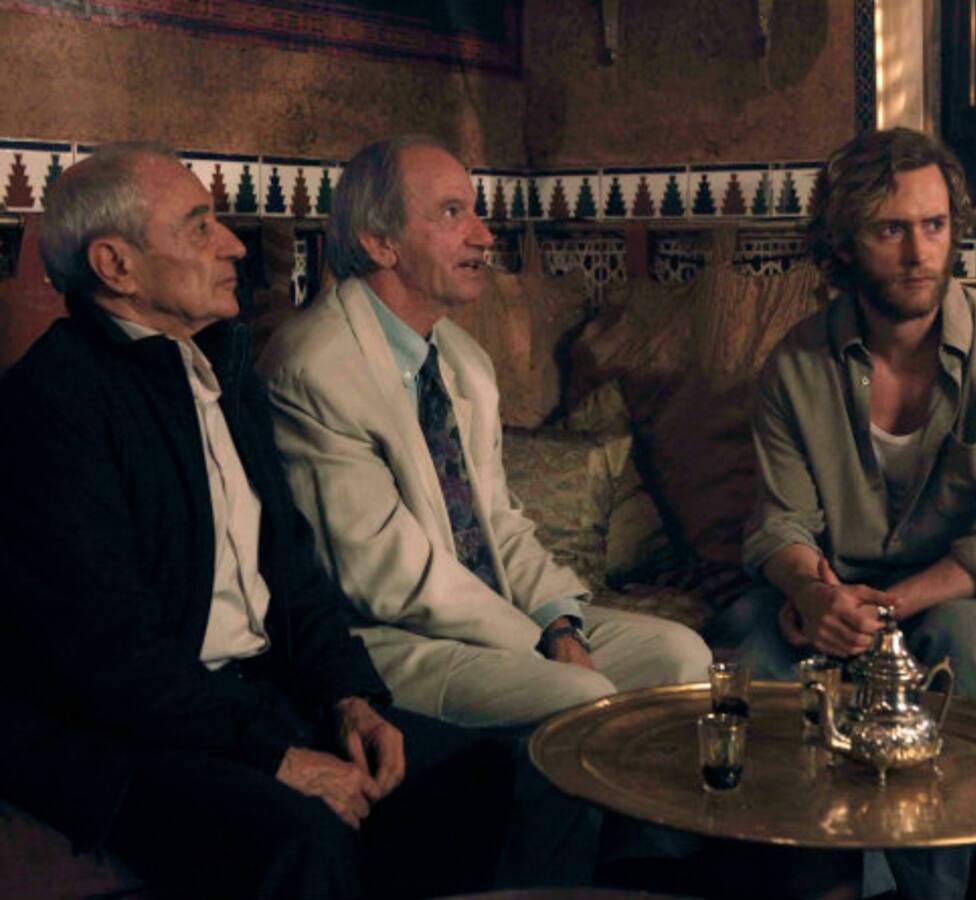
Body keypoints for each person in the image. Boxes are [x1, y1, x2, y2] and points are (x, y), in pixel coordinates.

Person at [0, 143, 600, 900]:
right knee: (307, 835)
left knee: (474, 775)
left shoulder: (220, 370)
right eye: (199, 227)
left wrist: (352, 700)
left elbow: (293, 569)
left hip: (245, 699)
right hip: (126, 737)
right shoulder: (55, 405)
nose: (233, 245)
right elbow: (111, 659)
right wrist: (273, 753)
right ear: (115, 265)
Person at [705, 127, 976, 899]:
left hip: (975, 591)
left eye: (934, 226)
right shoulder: (795, 364)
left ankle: (932, 889)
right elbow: (778, 523)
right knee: (752, 642)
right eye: (890, 230)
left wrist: (887, 608)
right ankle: (821, 876)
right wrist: (812, 594)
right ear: (843, 243)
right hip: (842, 577)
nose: (918, 253)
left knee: (958, 645)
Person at [258, 136, 711, 729]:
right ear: (379, 242)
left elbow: (498, 520)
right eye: (452, 213)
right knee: (575, 696)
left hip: (492, 616)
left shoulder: (461, 358)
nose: (484, 236)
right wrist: (533, 643)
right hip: (386, 639)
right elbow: (385, 575)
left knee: (680, 656)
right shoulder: (314, 367)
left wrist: (557, 622)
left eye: (475, 212)